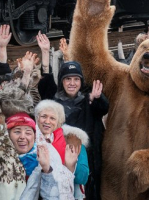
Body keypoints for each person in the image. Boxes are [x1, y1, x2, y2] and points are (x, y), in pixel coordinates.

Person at [0, 54, 73, 199]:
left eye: (28, 132)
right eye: (17, 131)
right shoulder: (1, 154)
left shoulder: (44, 156)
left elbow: (54, 195)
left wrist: (46, 170)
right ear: (6, 135)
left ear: (35, 134)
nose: (23, 137)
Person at [38, 35, 109, 200]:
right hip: (57, 162)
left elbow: (103, 108)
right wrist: (45, 53)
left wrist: (95, 99)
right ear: (62, 82)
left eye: (76, 79)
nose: (72, 83)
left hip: (86, 164)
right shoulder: (54, 102)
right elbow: (45, 86)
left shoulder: (88, 100)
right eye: (67, 79)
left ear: (81, 81)